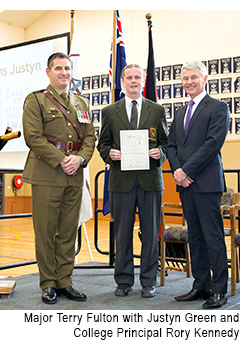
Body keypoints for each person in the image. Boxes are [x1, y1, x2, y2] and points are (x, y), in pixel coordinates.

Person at [22, 52, 95, 304]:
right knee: (46, 231)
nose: (64, 72)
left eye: (67, 68)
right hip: (47, 174)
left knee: (67, 231)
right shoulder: (36, 100)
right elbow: (33, 137)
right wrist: (61, 158)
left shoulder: (81, 103)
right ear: (48, 72)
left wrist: (80, 159)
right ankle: (48, 283)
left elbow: (89, 139)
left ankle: (65, 281)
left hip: (74, 174)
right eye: (58, 68)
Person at [97, 64, 168, 298]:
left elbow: (166, 143)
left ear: (144, 80)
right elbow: (103, 144)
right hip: (121, 181)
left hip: (150, 181)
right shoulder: (110, 111)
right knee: (122, 234)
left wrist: (161, 153)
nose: (134, 81)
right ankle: (124, 281)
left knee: (150, 234)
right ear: (123, 81)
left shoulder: (157, 110)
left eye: (138, 77)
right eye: (129, 77)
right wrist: (110, 155)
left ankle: (149, 281)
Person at [167, 60, 230, 309]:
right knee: (195, 236)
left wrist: (186, 170)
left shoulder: (218, 107)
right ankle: (201, 284)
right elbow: (172, 145)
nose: (189, 82)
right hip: (185, 184)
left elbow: (213, 143)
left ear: (205, 78)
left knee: (213, 237)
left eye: (194, 77)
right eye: (185, 78)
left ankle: (220, 290)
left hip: (206, 183)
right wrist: (177, 171)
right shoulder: (181, 111)